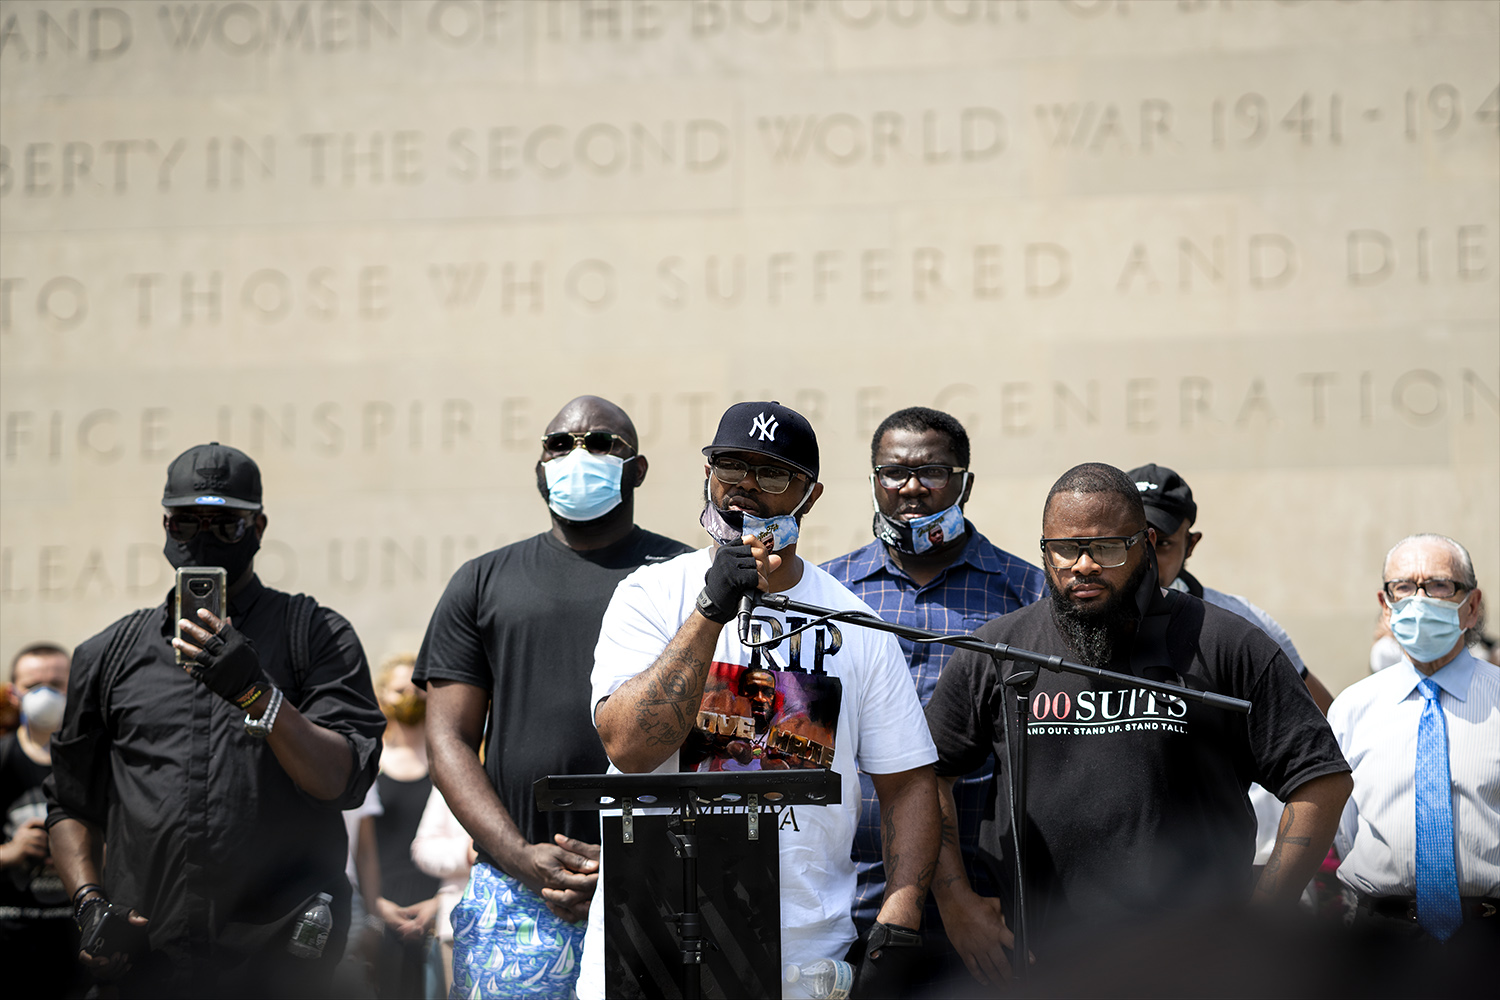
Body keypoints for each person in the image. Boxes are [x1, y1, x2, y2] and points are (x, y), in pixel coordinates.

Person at [924, 462, 1352, 987]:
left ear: (1145, 544)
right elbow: (925, 776)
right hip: (1038, 963)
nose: (1082, 566)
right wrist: (957, 904)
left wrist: (1258, 920)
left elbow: (1322, 781)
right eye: (1065, 548)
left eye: (1106, 548)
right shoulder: (998, 651)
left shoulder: (1225, 644)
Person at [581, 400, 941, 999]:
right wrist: (710, 609)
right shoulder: (648, 596)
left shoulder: (858, 626)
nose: (746, 488)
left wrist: (897, 924)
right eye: (730, 468)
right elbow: (631, 747)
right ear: (707, 476)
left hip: (796, 965)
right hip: (644, 953)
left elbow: (908, 787)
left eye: (772, 474)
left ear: (811, 495)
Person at [44, 441, 385, 997]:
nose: (203, 536)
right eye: (186, 522)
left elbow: (340, 781)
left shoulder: (315, 634)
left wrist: (255, 691)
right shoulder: (107, 651)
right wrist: (88, 905)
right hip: (147, 958)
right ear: (165, 525)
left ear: (258, 526)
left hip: (279, 959)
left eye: (225, 523)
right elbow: (70, 801)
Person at [416, 395, 690, 998]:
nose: (577, 455)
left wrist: (634, 864)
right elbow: (448, 740)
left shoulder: (687, 578)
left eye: (600, 444)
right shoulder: (483, 582)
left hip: (664, 888)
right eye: (560, 445)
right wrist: (521, 856)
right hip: (517, 896)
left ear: (637, 470)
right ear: (540, 468)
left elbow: (720, 742)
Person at [821, 406, 1045, 949]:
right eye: (894, 472)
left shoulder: (1030, 594)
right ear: (875, 482)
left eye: (934, 471)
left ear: (966, 483)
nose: (912, 487)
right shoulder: (829, 593)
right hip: (846, 892)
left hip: (988, 896)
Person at [1126, 462, 1336, 867]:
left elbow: (1325, 723)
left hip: (1239, 866)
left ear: (1192, 543)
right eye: (1137, 541)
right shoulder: (1085, 621)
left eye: (1163, 542)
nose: (1148, 557)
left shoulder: (1244, 625)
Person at [1329, 533, 1498, 949]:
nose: (1419, 600)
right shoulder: (1353, 709)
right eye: (1403, 587)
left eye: (1439, 585)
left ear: (1471, 606)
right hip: (1381, 940)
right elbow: (1344, 828)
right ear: (1386, 606)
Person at [1, 643, 79, 997]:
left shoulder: (93, 761)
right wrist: (12, 852)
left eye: (57, 683)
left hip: (77, 946)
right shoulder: (3, 758)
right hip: (9, 942)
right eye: (33, 685)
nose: (45, 694)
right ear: (13, 693)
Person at [371, 654, 441, 999]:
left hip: (438, 912)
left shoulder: (450, 762)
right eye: (399, 690)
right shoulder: (370, 763)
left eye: (417, 690)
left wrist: (439, 903)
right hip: (378, 911)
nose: (409, 698)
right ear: (382, 695)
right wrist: (373, 902)